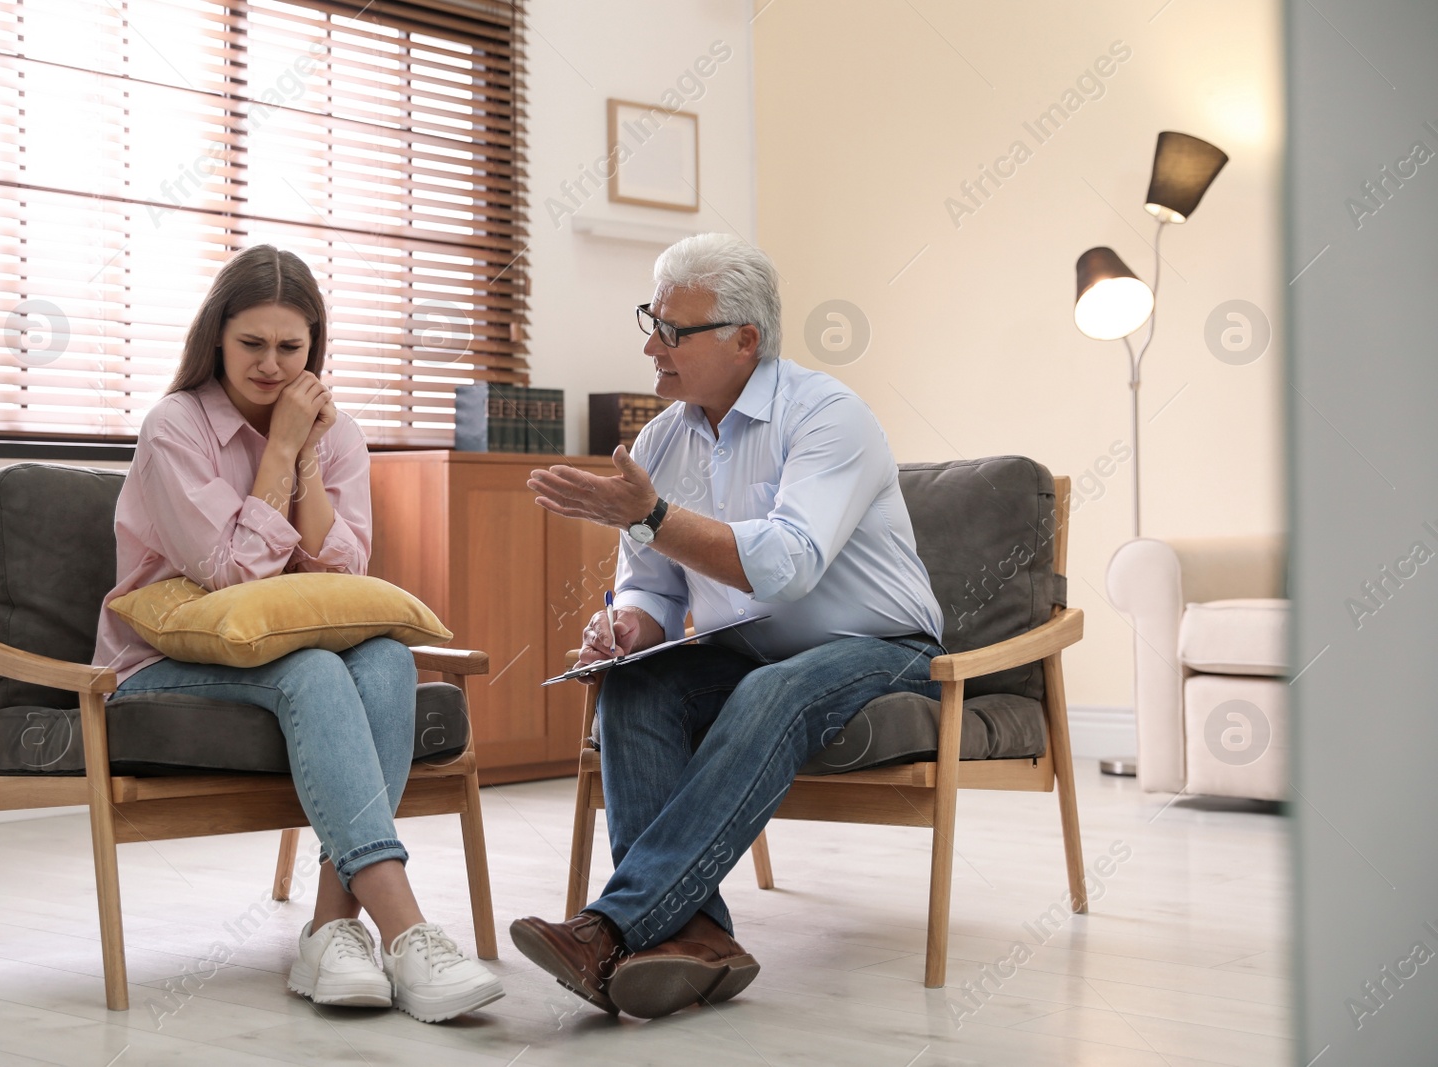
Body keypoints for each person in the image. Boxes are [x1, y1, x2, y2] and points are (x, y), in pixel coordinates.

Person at [510, 233, 946, 1019]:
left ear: (746, 339)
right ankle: (699, 937)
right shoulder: (661, 439)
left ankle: (612, 925)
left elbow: (787, 566)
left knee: (774, 689)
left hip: (880, 649)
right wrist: (628, 628)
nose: (651, 345)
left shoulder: (828, 417)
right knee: (632, 682)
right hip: (746, 651)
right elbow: (646, 583)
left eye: (674, 331)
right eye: (652, 321)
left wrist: (651, 514)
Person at [93, 245, 504, 1023]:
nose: (272, 365)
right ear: (216, 336)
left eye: (292, 347)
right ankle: (405, 926)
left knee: (384, 657)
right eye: (252, 344)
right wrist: (278, 447)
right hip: (159, 662)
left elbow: (342, 570)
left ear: (315, 344)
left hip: (284, 650)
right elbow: (231, 573)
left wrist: (309, 452)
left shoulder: (336, 432)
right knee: (314, 668)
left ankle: (331, 928)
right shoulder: (174, 428)